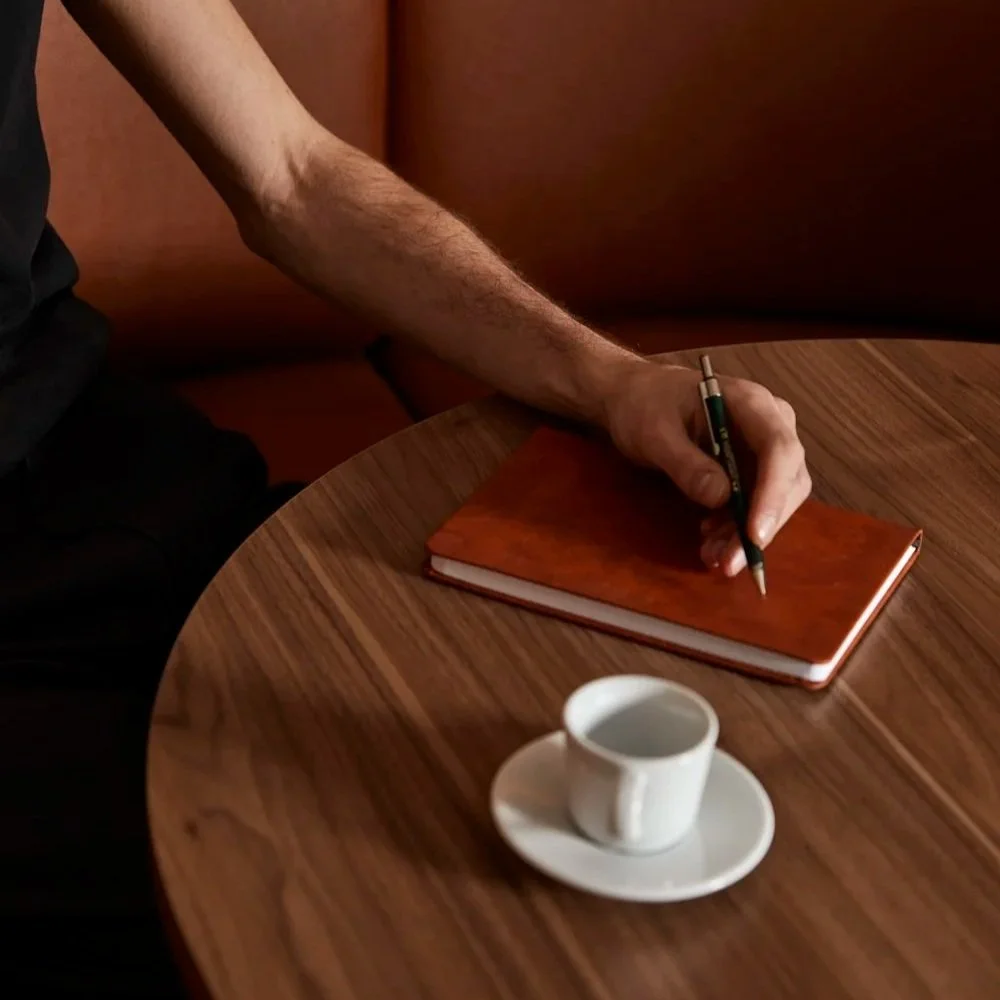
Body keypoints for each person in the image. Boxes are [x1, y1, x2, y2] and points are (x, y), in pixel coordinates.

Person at [1, 1, 811, 995]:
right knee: (311, 909)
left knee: (558, 767)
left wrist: (611, 382)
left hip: (100, 471)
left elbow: (291, 175)